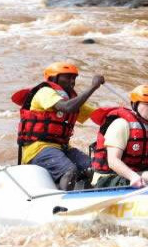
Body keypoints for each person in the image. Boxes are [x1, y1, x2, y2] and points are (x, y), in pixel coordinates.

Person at [13, 62, 104, 190]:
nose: (72, 81)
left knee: (95, 168)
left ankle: (88, 197)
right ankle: (65, 203)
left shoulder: (72, 99)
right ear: (53, 78)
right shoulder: (45, 92)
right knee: (70, 170)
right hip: (37, 149)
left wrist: (125, 115)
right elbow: (66, 108)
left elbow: (98, 115)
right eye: (67, 77)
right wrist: (94, 86)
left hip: (62, 148)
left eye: (74, 78)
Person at [90, 84, 148, 188]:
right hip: (110, 177)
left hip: (139, 172)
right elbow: (113, 161)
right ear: (135, 105)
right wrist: (133, 177)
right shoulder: (120, 124)